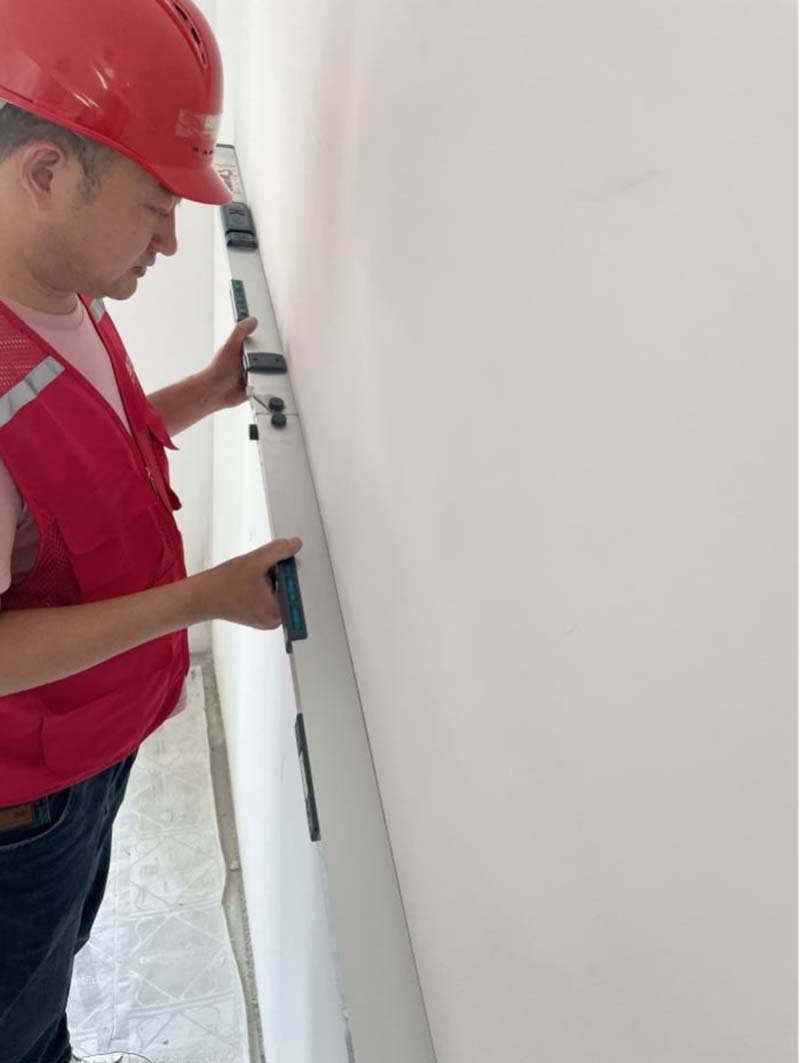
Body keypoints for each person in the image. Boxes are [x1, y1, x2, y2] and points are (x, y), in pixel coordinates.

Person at [0, 3, 302, 1062]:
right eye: (154, 205)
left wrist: (203, 394)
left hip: (85, 753)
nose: (170, 241)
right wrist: (200, 599)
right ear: (46, 173)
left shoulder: (55, 284)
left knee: (50, 967)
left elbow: (80, 462)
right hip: (19, 811)